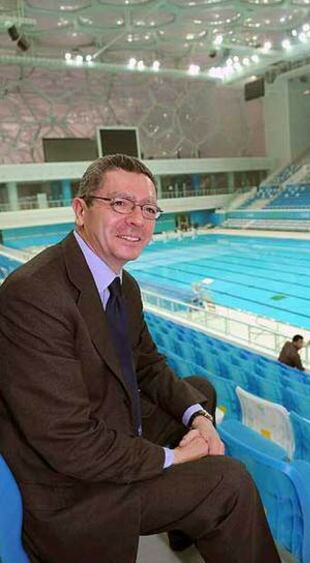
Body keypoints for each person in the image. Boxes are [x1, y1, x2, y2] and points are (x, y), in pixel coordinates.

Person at [0, 154, 280, 563]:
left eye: (147, 208)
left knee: (200, 393)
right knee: (229, 481)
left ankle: (185, 526)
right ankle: (205, 504)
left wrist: (198, 419)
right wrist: (176, 457)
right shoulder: (34, 297)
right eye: (119, 204)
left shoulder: (122, 285)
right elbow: (69, 444)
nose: (136, 219)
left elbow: (147, 363)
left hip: (104, 427)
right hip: (73, 488)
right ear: (81, 210)